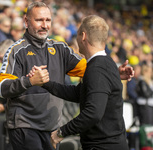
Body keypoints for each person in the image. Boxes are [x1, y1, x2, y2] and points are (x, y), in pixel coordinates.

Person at [0, 2, 134, 150]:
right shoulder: (16, 51)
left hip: (52, 128)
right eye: (39, 20)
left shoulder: (60, 48)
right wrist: (29, 81)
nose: (45, 25)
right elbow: (1, 88)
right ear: (26, 21)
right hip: (25, 126)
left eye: (48, 20)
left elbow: (92, 70)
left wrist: (113, 73)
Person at [28, 15, 130, 150]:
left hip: (103, 146)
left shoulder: (97, 68)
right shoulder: (107, 63)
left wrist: (62, 132)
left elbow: (93, 113)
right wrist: (45, 83)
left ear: (83, 36)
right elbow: (79, 93)